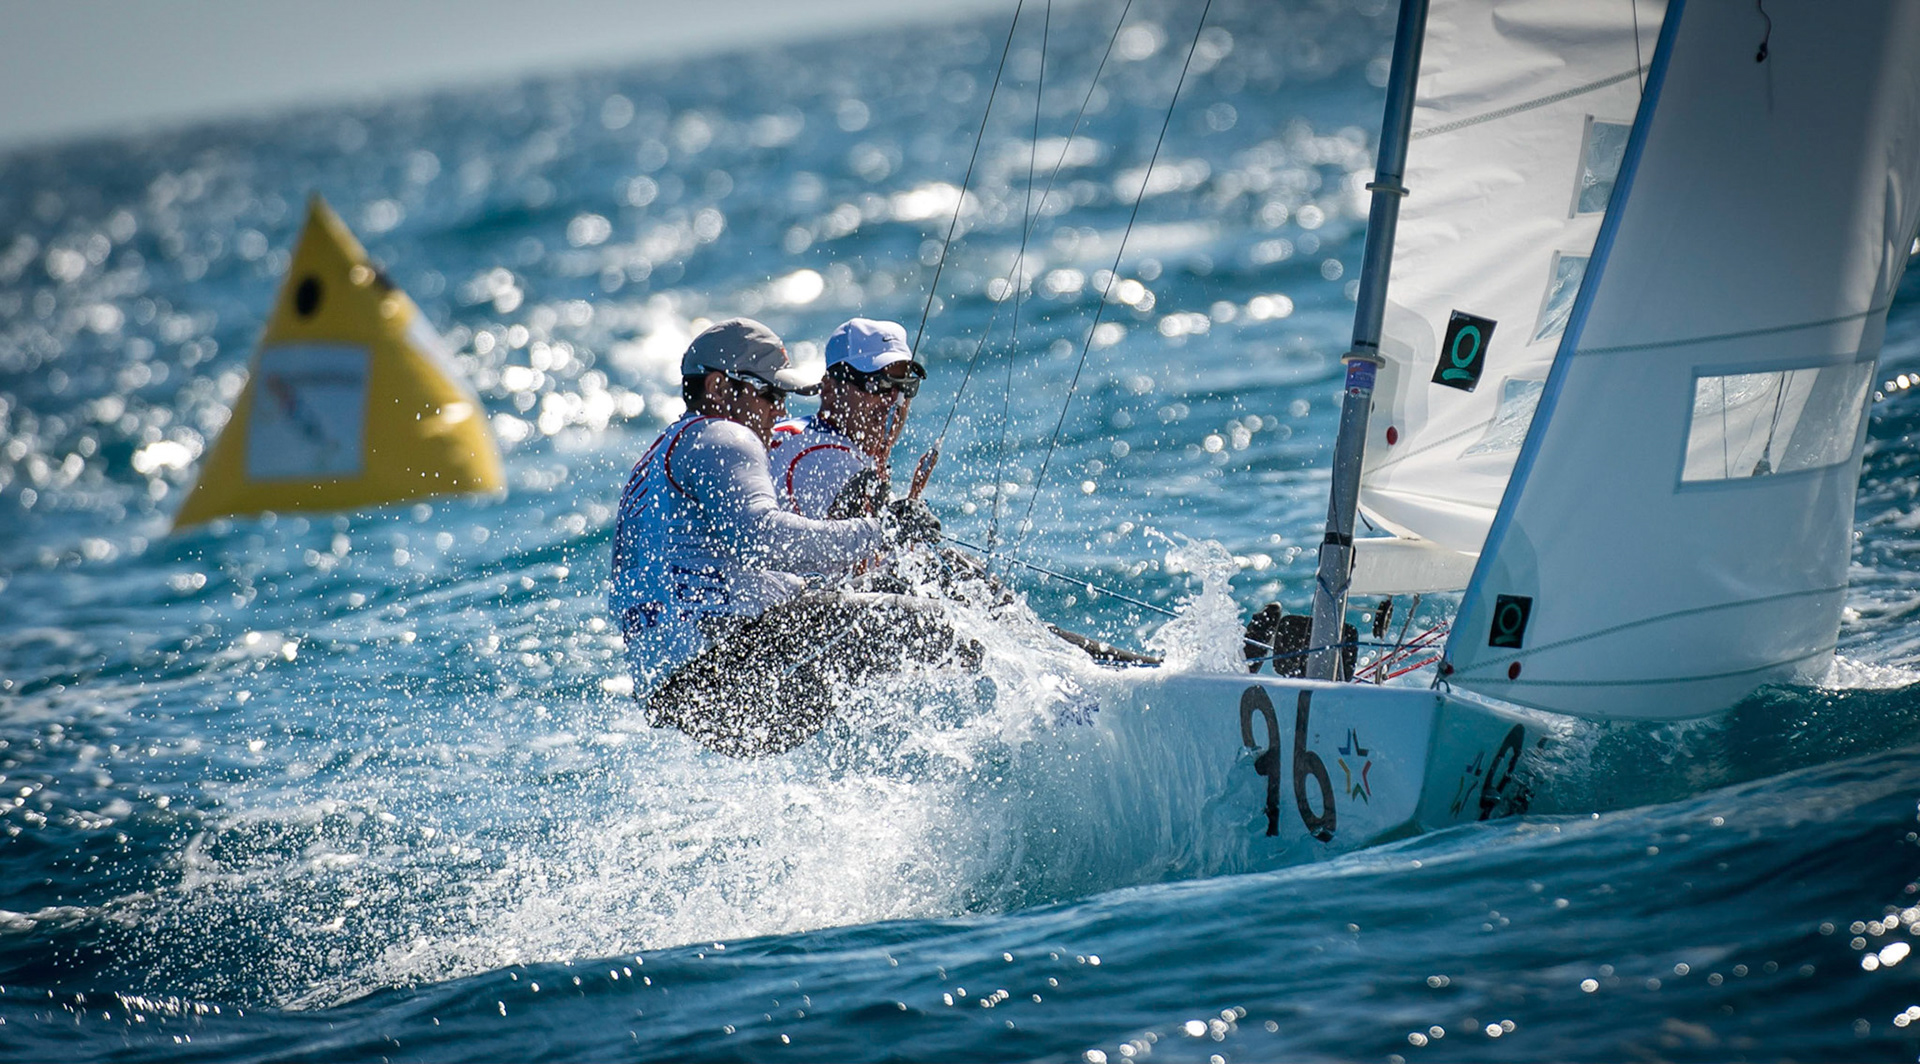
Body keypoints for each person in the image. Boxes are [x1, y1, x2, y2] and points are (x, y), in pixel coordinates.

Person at [609, 318, 951, 757]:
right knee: (932, 624)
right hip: (727, 670)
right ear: (717, 387)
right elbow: (762, 539)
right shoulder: (722, 434)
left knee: (885, 599)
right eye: (769, 393)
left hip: (675, 694)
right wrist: (882, 532)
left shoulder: (654, 458)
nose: (780, 410)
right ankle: (1026, 703)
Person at [769, 317, 927, 520]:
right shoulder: (830, 460)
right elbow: (855, 550)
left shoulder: (807, 435)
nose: (894, 400)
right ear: (829, 389)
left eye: (906, 386)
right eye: (877, 384)